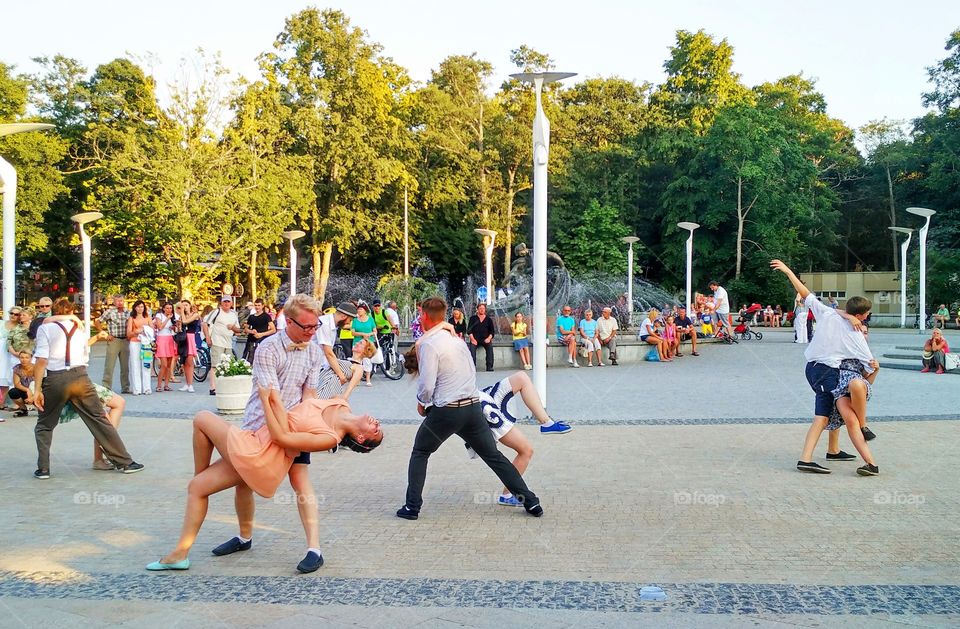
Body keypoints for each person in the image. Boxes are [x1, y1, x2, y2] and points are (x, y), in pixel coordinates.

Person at [146, 394, 382, 571]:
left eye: (376, 430)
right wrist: (357, 363)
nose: (377, 423)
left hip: (264, 451)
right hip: (257, 439)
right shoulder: (341, 404)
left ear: (361, 438)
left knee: (202, 418)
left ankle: (314, 549)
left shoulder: (330, 437)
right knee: (200, 486)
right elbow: (330, 377)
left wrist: (269, 398)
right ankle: (199, 549)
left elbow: (283, 437)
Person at [212, 294, 331, 573]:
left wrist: (304, 429)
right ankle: (244, 537)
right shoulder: (268, 348)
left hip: (294, 425)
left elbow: (310, 394)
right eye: (306, 326)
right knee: (243, 481)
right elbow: (272, 397)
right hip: (259, 423)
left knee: (300, 480)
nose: (312, 332)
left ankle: (315, 549)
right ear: (288, 322)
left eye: (316, 325)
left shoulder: (314, 351)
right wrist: (282, 437)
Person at [396, 297, 543, 521]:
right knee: (493, 456)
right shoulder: (457, 341)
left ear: (424, 316)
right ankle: (531, 501)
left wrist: (421, 402)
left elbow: (427, 385)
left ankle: (412, 507)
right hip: (472, 407)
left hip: (446, 411)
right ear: (444, 315)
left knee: (420, 452)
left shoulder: (428, 345)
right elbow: (470, 371)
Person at [403, 344, 570, 506]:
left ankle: (546, 422)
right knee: (522, 451)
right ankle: (509, 495)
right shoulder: (432, 379)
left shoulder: (440, 368)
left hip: (483, 398)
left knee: (521, 377)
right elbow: (429, 408)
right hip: (484, 410)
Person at [769, 260, 880, 477]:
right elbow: (869, 366)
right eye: (866, 314)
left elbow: (804, 292)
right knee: (823, 416)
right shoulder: (856, 335)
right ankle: (805, 459)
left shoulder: (827, 313)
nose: (867, 317)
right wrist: (874, 366)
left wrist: (788, 271)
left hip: (814, 368)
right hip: (825, 371)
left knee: (835, 407)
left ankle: (833, 450)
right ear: (860, 316)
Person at [31, 299, 144, 479]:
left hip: (55, 378)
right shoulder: (80, 329)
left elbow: (42, 360)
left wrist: (37, 389)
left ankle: (43, 469)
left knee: (45, 424)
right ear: (71, 312)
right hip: (80, 377)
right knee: (99, 419)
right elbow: (85, 354)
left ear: (54, 312)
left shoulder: (45, 328)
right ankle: (125, 462)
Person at [203, 296, 242, 396]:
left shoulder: (233, 314)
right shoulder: (216, 312)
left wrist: (233, 327)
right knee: (215, 365)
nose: (226, 303)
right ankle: (213, 388)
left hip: (228, 343)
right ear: (221, 303)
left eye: (228, 302)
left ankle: (224, 386)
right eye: (225, 301)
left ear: (231, 303)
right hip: (217, 342)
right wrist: (207, 337)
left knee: (228, 365)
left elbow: (238, 330)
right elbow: (205, 324)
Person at [315, 301, 357, 390]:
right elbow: (328, 353)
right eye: (350, 320)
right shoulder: (324, 324)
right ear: (343, 316)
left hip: (321, 365)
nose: (349, 323)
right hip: (314, 367)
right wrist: (341, 375)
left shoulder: (332, 325)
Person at [98, 294, 131, 394]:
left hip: (125, 340)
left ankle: (125, 387)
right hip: (114, 340)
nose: (120, 303)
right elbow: (98, 322)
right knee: (109, 365)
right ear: (114, 302)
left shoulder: (128, 312)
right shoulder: (109, 312)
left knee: (125, 366)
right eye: (117, 301)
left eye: (121, 301)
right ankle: (106, 387)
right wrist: (104, 333)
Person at [126, 300, 153, 395]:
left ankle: (147, 388)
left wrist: (146, 330)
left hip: (146, 343)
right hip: (135, 342)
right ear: (135, 308)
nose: (140, 308)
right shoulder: (132, 318)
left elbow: (152, 330)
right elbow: (128, 333)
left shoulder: (148, 317)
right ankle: (137, 388)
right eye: (138, 307)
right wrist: (136, 332)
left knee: (146, 364)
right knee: (135, 364)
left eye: (142, 307)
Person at [178, 300, 202, 392]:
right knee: (184, 362)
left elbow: (185, 322)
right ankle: (187, 383)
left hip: (191, 338)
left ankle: (190, 384)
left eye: (186, 305)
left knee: (190, 361)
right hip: (183, 338)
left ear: (190, 306)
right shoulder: (182, 316)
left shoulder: (195, 315)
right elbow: (180, 327)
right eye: (183, 305)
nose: (184, 307)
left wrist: (182, 312)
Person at [0, 306, 21, 411]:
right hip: (1, 352)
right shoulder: (1, 323)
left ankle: (2, 402)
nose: (13, 315)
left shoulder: (20, 327)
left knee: (7, 377)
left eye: (16, 314)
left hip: (11, 355)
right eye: (11, 313)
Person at [242, 298, 275, 365]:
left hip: (261, 342)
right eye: (256, 305)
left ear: (262, 306)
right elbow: (246, 329)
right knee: (248, 361)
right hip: (250, 341)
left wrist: (261, 334)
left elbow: (273, 330)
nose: (257, 307)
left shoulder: (266, 316)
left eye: (259, 305)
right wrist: (251, 331)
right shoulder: (251, 317)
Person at [153, 302, 177, 393]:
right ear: (163, 309)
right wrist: (167, 318)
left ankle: (166, 385)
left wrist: (174, 327)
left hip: (169, 339)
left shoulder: (173, 317)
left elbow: (175, 329)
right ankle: (159, 385)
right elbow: (160, 327)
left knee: (169, 364)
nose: (169, 310)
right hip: (161, 339)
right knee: (164, 364)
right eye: (167, 308)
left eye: (170, 308)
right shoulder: (159, 316)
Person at [467, 303, 496, 372]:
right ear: (477, 310)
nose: (482, 310)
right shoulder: (473, 318)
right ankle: (473, 367)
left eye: (483, 308)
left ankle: (489, 366)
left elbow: (492, 332)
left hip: (485, 339)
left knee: (490, 348)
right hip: (475, 339)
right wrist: (472, 339)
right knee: (472, 350)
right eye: (480, 308)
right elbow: (469, 330)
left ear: (485, 310)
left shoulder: (489, 319)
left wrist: (489, 338)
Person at [9, 350, 35, 417]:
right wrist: (27, 390)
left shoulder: (36, 368)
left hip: (38, 392)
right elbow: (17, 384)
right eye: (22, 357)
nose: (24, 360)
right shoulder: (17, 368)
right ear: (19, 358)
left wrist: (32, 397)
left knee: (44, 410)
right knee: (13, 392)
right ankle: (23, 409)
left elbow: (41, 385)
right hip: (25, 391)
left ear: (31, 358)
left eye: (27, 357)